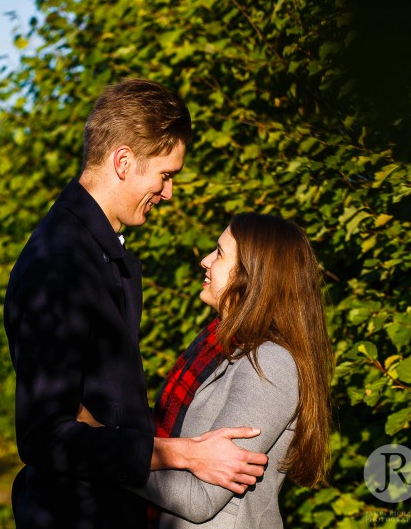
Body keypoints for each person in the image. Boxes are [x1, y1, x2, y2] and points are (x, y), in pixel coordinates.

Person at [4, 79, 269, 529]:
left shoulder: (109, 255)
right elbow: (44, 434)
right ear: (123, 162)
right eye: (165, 175)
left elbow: (97, 402)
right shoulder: (61, 265)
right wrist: (183, 455)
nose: (169, 193)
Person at [81, 213, 334, 527]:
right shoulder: (215, 347)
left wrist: (103, 449)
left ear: (253, 275)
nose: (204, 260)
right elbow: (166, 433)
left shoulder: (269, 363)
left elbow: (199, 498)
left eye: (219, 253)